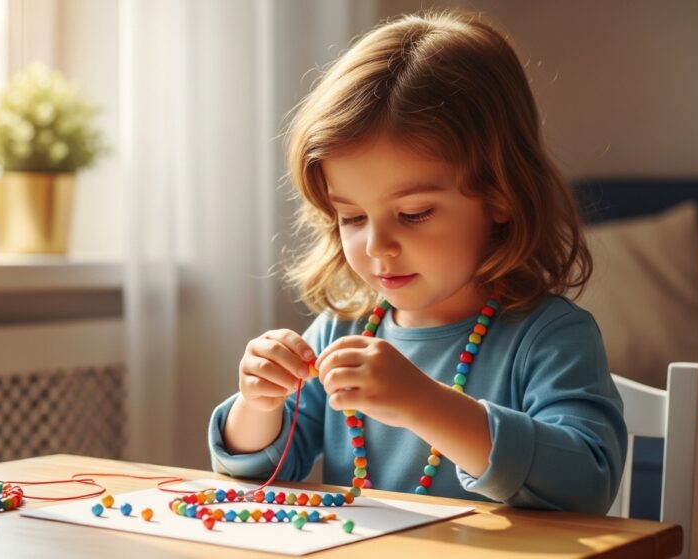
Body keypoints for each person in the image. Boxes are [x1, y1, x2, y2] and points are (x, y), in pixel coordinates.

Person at [207, 10, 626, 515]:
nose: (377, 246)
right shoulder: (342, 331)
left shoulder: (550, 338)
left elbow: (587, 484)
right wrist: (259, 403)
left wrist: (423, 403)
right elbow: (261, 472)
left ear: (501, 197)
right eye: (353, 216)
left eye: (413, 214)